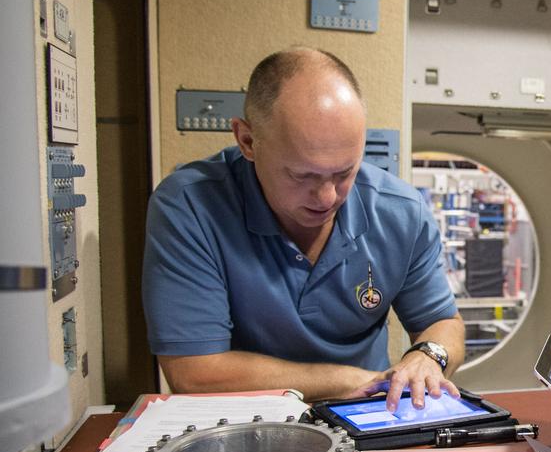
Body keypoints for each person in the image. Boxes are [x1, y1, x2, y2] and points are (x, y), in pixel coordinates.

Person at [143, 47, 465, 406]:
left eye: (344, 172)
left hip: (366, 414)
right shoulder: (190, 206)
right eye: (301, 175)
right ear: (247, 141)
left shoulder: (400, 212)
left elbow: (443, 323)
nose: (327, 197)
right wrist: (353, 381)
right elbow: (194, 372)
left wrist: (428, 356)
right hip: (247, 418)